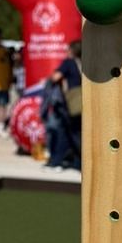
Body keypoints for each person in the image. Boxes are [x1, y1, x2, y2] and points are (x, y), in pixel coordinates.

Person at [48, 39, 83, 170]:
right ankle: (78, 162)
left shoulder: (68, 62)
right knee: (77, 132)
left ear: (72, 51)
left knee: (69, 132)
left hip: (72, 102)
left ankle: (57, 160)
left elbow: (55, 77)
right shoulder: (83, 62)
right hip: (82, 101)